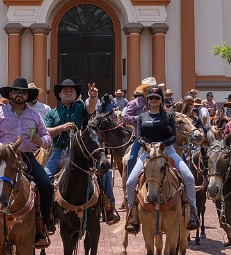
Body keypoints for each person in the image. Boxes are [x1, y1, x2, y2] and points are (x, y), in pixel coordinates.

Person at [0, 78, 56, 246]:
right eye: (16, 91)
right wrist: (3, 148)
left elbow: (47, 137)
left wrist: (41, 141)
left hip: (25, 156)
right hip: (1, 156)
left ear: (27, 95)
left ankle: (43, 226)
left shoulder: (34, 115)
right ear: (10, 94)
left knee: (46, 185)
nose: (19, 95)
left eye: (23, 92)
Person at [123, 85, 202, 230]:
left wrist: (161, 144)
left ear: (161, 100)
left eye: (156, 98)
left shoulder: (168, 116)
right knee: (130, 182)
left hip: (168, 151)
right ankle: (133, 214)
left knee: (189, 177)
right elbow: (139, 137)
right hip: (148, 153)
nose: (153, 100)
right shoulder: (142, 117)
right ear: (147, 99)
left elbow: (173, 137)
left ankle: (192, 211)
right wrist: (148, 145)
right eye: (151, 98)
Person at [45, 78, 116, 222]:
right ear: (59, 94)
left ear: (76, 94)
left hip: (82, 152)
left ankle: (109, 208)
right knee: (45, 178)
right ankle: (48, 214)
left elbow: (90, 107)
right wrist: (61, 128)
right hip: (59, 151)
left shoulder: (80, 108)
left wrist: (93, 96)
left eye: (71, 91)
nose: (68, 92)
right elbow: (46, 131)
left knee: (105, 173)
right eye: (65, 91)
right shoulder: (52, 113)